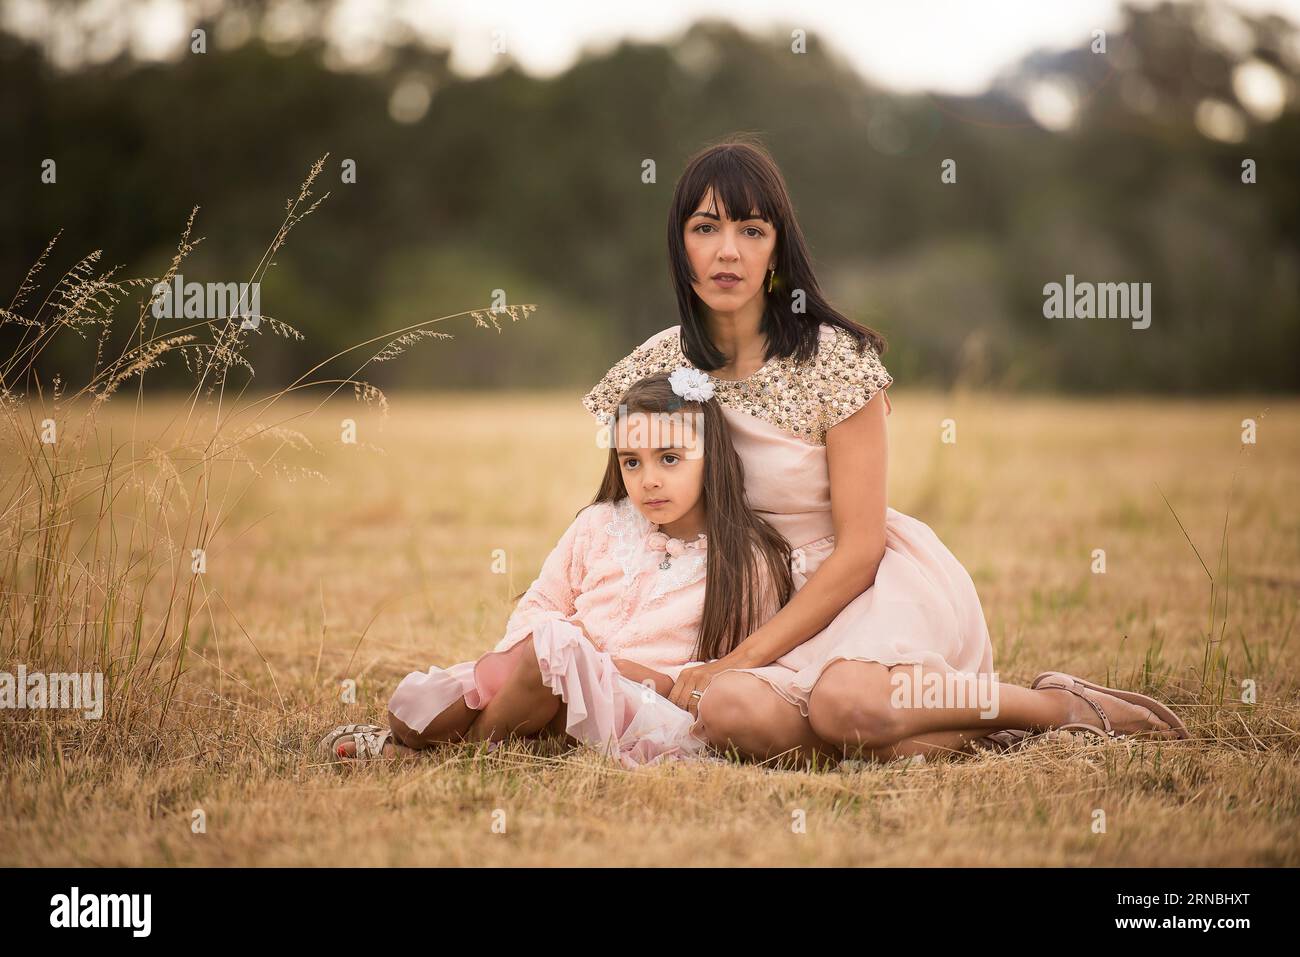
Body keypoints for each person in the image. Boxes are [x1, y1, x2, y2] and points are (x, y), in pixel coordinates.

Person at [579, 135, 1189, 765]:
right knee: (739, 717)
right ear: (680, 245)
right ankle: (911, 738)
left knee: (844, 704)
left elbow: (862, 548)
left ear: (777, 249)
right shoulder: (656, 366)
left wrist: (739, 659)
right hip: (739, 595)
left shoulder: (834, 360)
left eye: (752, 230)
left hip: (854, 587)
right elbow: (622, 519)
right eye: (706, 227)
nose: (727, 251)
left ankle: (1052, 705)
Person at [320, 367, 795, 769]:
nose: (649, 480)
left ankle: (460, 757)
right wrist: (563, 646)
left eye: (669, 459)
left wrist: (643, 676)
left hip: (639, 704)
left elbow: (732, 671)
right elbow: (539, 606)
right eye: (632, 462)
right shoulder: (599, 525)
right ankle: (453, 740)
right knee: (419, 713)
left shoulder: (745, 559)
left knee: (554, 657)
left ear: (711, 459)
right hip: (547, 681)